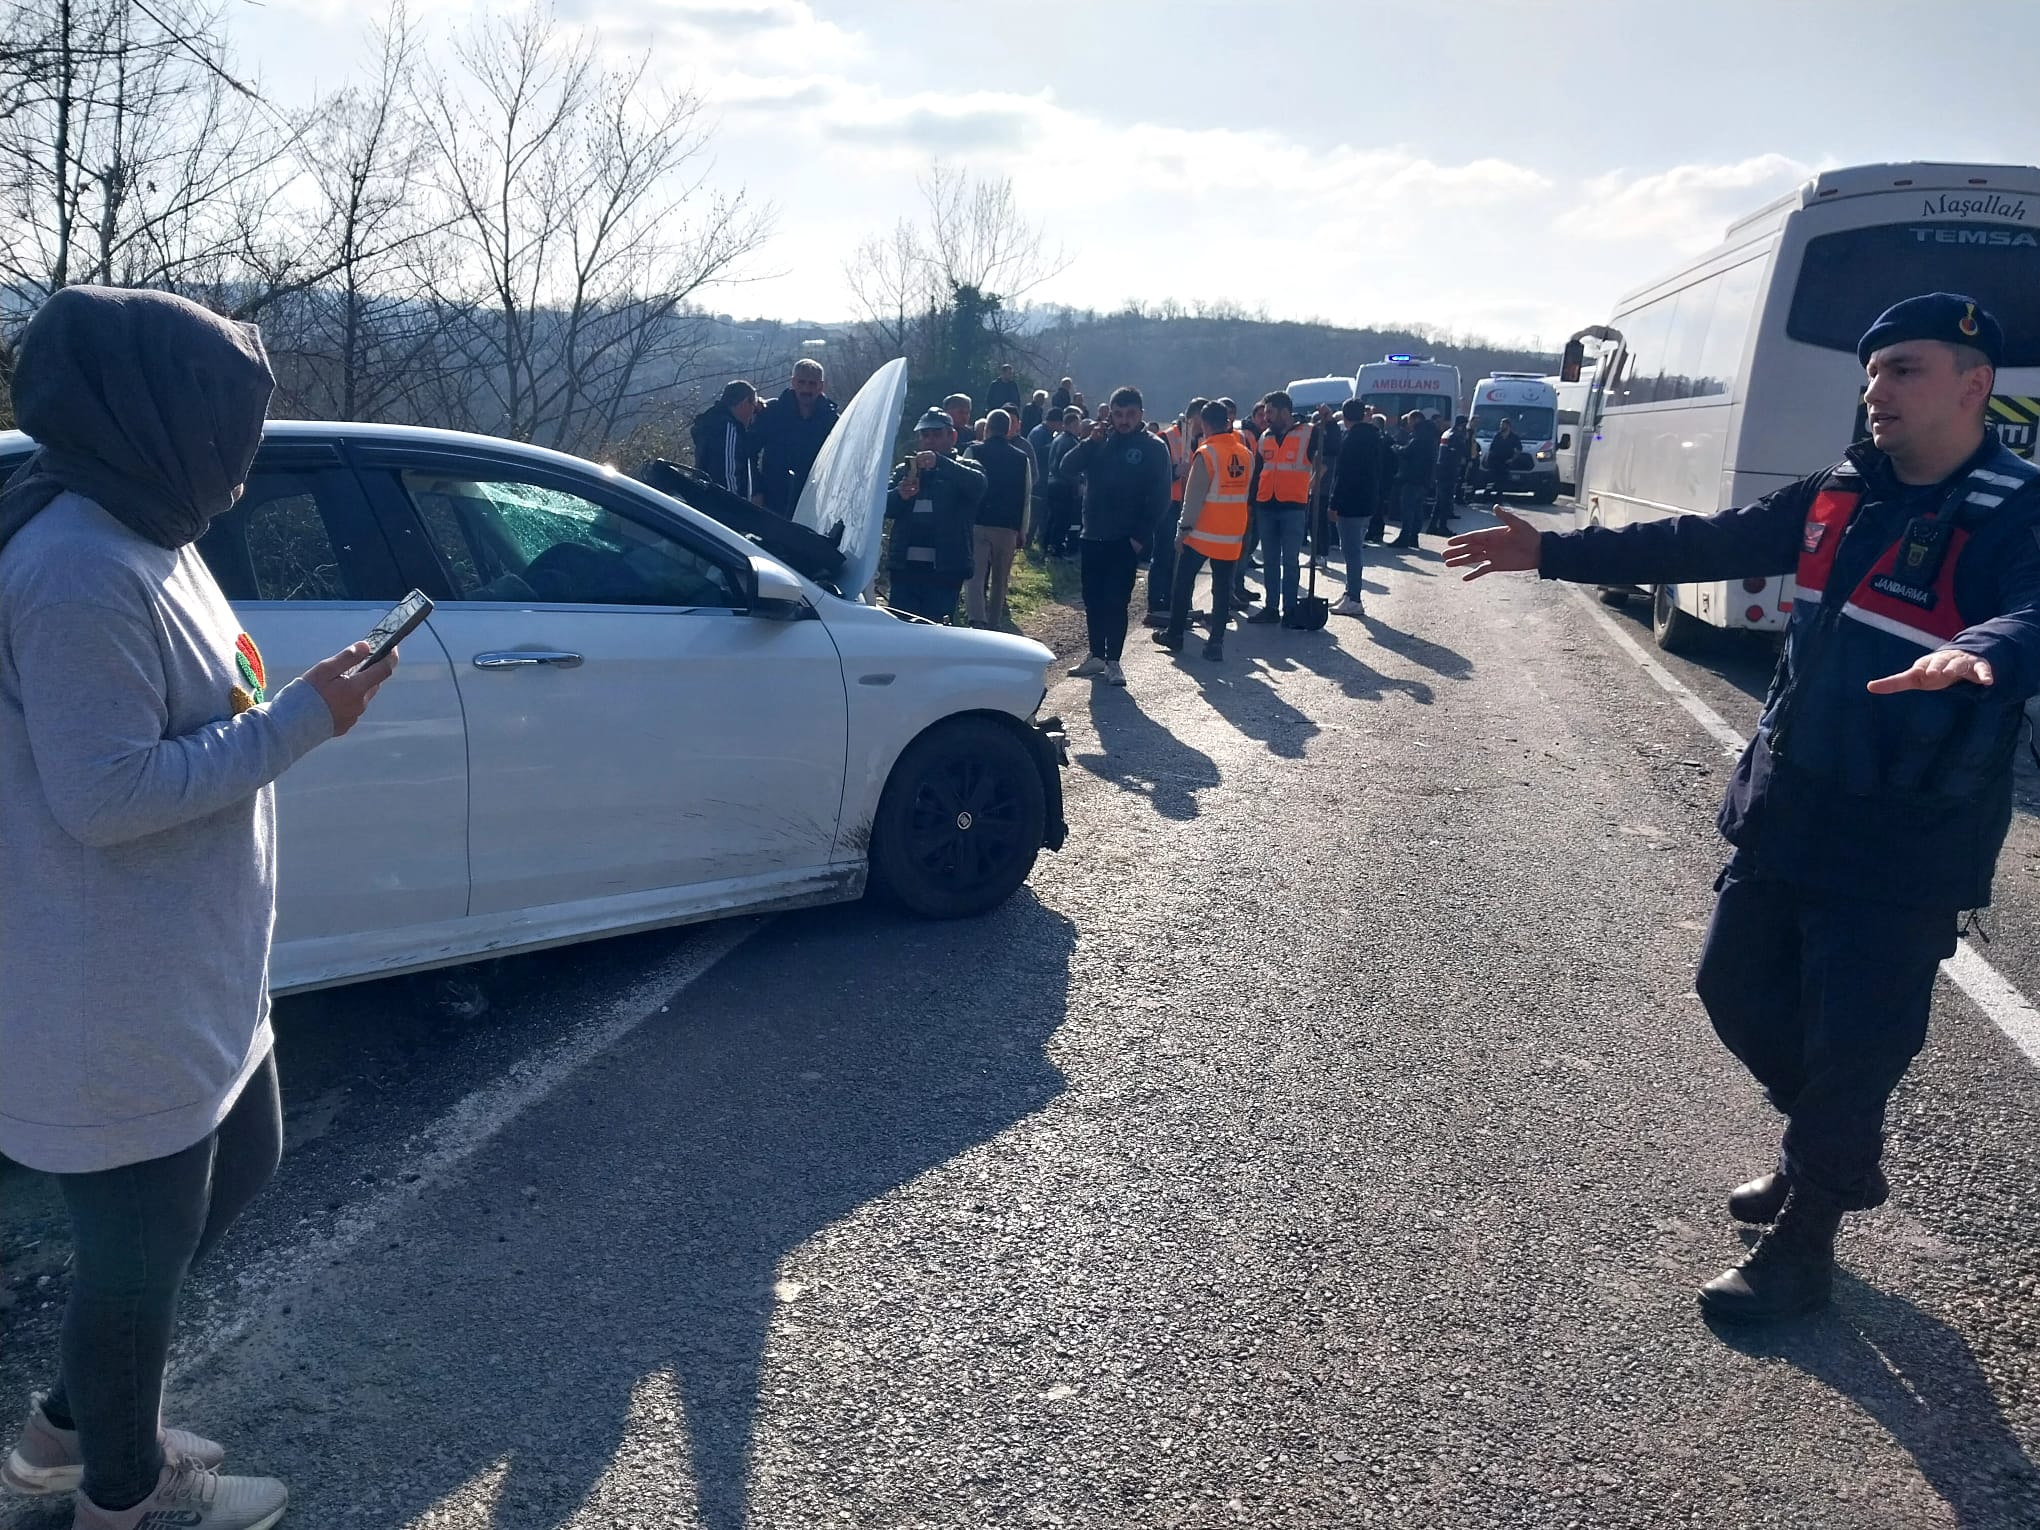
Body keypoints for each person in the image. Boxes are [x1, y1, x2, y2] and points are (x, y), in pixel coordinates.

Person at [1445, 294, 2040, 1323]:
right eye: (1871, 371)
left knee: (1857, 1041)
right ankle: (1828, 1149)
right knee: (1734, 989)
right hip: (1789, 805)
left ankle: (1804, 1243)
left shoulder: (2016, 509)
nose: (1877, 389)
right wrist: (1554, 552)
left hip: (1906, 835)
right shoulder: (1841, 489)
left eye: (1904, 369)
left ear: (1974, 385)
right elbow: (1702, 542)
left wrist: (1979, 651)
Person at [0, 286, 397, 1530]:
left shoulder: (148, 523)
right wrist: (304, 721)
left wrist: (287, 708)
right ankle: (123, 1498)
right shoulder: (74, 565)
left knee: (240, 1167)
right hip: (108, 993)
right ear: (150, 416)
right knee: (135, 1267)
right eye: (226, 427)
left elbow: (202, 709)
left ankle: (61, 1439)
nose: (242, 459)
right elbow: (105, 796)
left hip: (190, 966)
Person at [1058, 385, 1170, 685]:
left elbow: (1160, 497)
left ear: (1140, 414)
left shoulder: (1153, 447)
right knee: (1092, 599)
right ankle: (1096, 655)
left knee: (1117, 601)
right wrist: (1089, 443)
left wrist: (1139, 537)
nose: (1124, 420)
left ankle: (1114, 661)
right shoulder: (1099, 441)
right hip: (1092, 534)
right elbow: (1065, 467)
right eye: (1118, 414)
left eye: (1130, 414)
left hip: (1125, 539)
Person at [1154, 400, 1253, 662]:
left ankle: (1175, 634)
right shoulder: (1246, 454)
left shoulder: (1206, 454)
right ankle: (1216, 643)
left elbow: (1193, 498)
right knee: (1222, 590)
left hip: (1201, 533)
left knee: (1183, 583)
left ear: (1205, 424)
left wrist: (1182, 531)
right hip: (1232, 533)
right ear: (1227, 422)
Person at [884, 407, 986, 624]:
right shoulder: (904, 469)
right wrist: (899, 495)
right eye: (925, 435)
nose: (930, 441)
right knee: (900, 631)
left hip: (945, 571)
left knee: (937, 631)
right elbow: (884, 508)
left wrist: (940, 462)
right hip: (905, 570)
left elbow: (978, 486)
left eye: (937, 434)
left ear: (952, 436)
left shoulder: (965, 467)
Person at [1246, 390, 1317, 626]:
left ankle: (1290, 609)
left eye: (1270, 412)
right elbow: (1258, 472)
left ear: (1284, 412)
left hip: (1293, 507)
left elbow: (1333, 447)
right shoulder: (1265, 437)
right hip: (1266, 505)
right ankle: (1271, 607)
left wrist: (1327, 422)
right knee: (1270, 560)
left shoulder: (1308, 433)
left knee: (1290, 561)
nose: (1265, 417)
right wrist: (1251, 502)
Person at [746, 358, 838, 517]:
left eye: (812, 384)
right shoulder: (772, 412)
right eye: (801, 382)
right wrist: (755, 490)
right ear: (793, 382)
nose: (806, 389)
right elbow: (749, 451)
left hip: (813, 502)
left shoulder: (831, 421)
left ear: (821, 386)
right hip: (771, 500)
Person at [965, 409, 1030, 630]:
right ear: (1008, 429)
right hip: (1007, 526)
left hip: (977, 522)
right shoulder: (1021, 458)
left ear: (987, 428)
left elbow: (964, 488)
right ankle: (994, 621)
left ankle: (977, 618)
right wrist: (1022, 529)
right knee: (1000, 580)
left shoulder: (973, 451)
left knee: (975, 575)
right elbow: (1026, 496)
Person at [1144, 397, 1204, 630]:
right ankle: (1157, 602)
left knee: (1185, 556)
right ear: (1194, 417)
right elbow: (1153, 474)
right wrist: (1174, 472)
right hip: (1169, 504)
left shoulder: (1201, 440)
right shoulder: (1166, 438)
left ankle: (1178, 602)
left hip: (1190, 504)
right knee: (1164, 554)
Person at [1329, 399, 1384, 617]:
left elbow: (1344, 475)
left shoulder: (1351, 440)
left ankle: (1353, 597)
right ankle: (1350, 592)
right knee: (1355, 548)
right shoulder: (1375, 437)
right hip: (1367, 499)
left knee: (1351, 551)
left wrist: (1334, 503)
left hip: (1351, 502)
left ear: (1345, 417)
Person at [690, 379, 758, 499]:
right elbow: (727, 472)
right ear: (745, 401)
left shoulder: (712, 422)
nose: (753, 414)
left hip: (704, 497)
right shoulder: (728, 427)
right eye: (754, 407)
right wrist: (733, 503)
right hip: (722, 503)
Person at [1041, 405, 1087, 557]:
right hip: (1063, 486)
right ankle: (1056, 547)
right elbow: (1068, 468)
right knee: (1062, 519)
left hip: (1052, 483)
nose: (1079, 427)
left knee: (1052, 517)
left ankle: (1046, 544)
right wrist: (1078, 482)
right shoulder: (1071, 443)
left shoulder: (1058, 438)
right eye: (1078, 424)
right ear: (1071, 425)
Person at [1390, 409, 1439, 548]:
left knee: (1408, 509)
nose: (1409, 424)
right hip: (1424, 479)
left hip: (1413, 478)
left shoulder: (1420, 436)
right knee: (1417, 509)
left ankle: (1405, 537)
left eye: (1410, 421)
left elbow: (1408, 451)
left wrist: (1396, 448)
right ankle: (1413, 537)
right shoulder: (1430, 435)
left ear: (1416, 420)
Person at [1484, 416, 1522, 500]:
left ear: (1508, 426)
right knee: (1491, 479)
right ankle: (1486, 496)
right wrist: (1487, 458)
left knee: (1502, 481)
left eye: (1503, 425)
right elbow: (1491, 448)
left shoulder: (1514, 437)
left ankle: (1498, 497)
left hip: (1505, 462)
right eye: (1501, 424)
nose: (1501, 426)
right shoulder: (1497, 435)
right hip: (1494, 461)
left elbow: (1519, 449)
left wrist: (1512, 459)